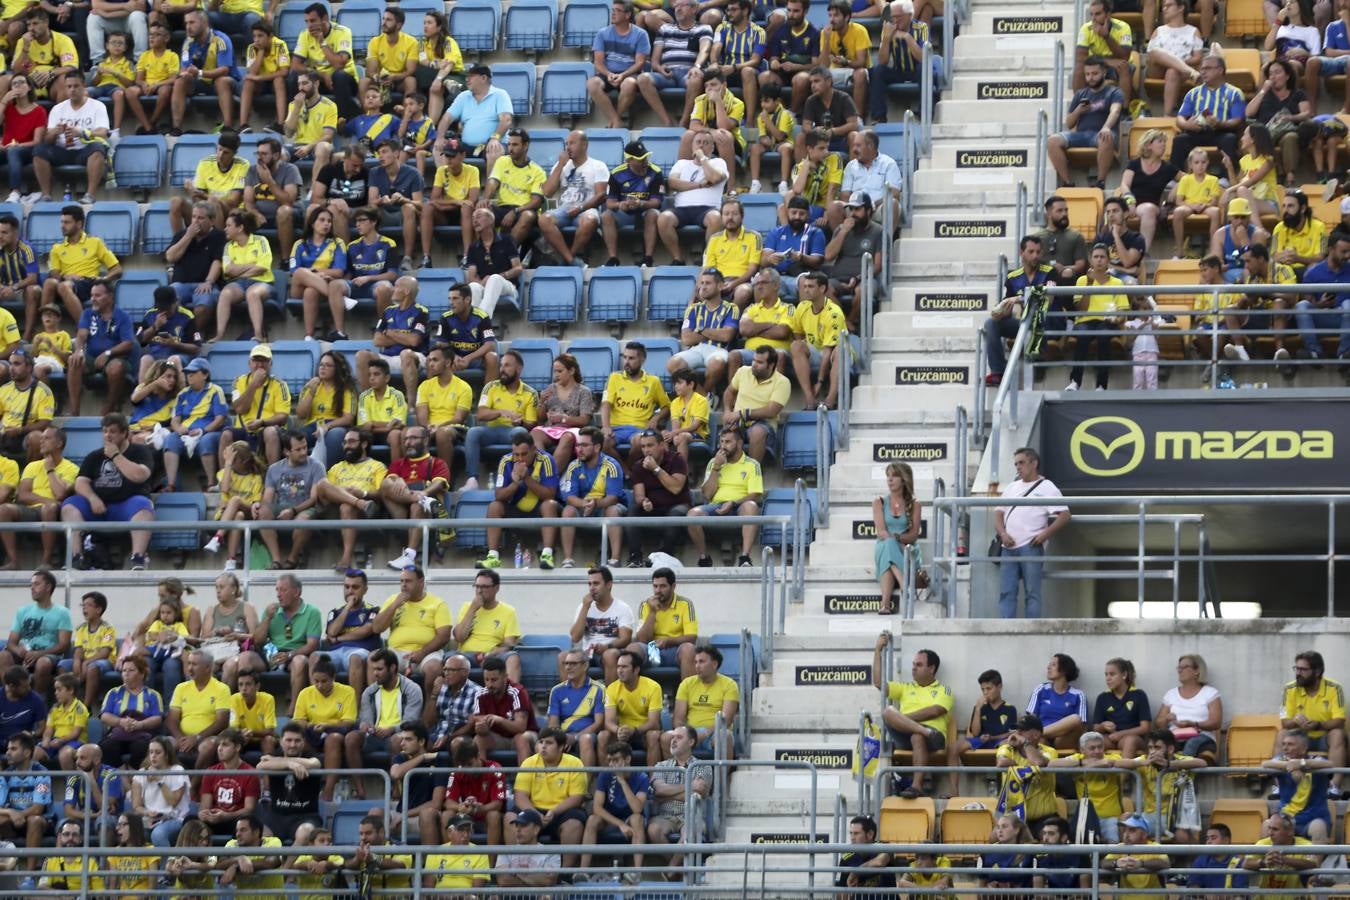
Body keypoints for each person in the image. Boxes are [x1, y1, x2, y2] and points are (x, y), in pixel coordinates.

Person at [60, 412, 155, 570]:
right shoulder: (95, 456)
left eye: (112, 431)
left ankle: (138, 558)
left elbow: (140, 475)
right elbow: (81, 482)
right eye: (104, 431)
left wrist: (116, 456)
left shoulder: (140, 451)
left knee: (143, 506)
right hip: (98, 507)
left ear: (124, 433)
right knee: (70, 505)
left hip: (127, 506)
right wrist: (92, 498)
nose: (107, 435)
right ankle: (76, 557)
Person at [871, 632, 952, 797]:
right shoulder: (906, 687)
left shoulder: (944, 689)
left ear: (931, 669)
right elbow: (879, 683)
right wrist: (877, 651)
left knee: (916, 735)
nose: (913, 668)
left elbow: (935, 710)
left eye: (919, 665)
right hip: (907, 735)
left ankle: (916, 786)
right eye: (913, 664)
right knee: (888, 712)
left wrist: (902, 719)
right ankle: (924, 731)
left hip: (935, 739)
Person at [994, 446, 1070, 618]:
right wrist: (1003, 534)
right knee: (1006, 592)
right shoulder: (1012, 487)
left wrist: (1044, 535)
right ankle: (1006, 628)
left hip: (1031, 546)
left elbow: (1065, 515)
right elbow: (998, 513)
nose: (1018, 467)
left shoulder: (1047, 487)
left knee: (1032, 593)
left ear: (1034, 463)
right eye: (1016, 464)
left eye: (1021, 463)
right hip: (1008, 548)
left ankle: (1032, 628)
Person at [345, 648, 423, 800]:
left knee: (397, 739)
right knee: (351, 738)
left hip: (398, 733)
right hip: (374, 735)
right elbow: (365, 719)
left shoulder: (412, 689)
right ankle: (359, 789)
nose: (375, 673)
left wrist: (391, 729)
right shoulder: (369, 692)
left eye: (379, 669)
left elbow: (411, 721)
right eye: (374, 669)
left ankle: (396, 788)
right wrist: (366, 726)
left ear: (392, 668)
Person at [507, 727, 587, 867]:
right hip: (533, 809)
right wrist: (535, 814)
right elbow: (520, 797)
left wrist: (553, 812)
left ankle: (565, 874)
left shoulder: (575, 763)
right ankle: (515, 869)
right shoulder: (529, 762)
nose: (543, 746)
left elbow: (577, 798)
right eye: (541, 742)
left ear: (561, 747)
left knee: (574, 823)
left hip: (561, 811)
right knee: (510, 817)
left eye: (549, 743)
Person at [41, 205, 121, 344]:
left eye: (67, 222)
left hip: (88, 283)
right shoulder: (56, 248)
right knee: (50, 283)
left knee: (64, 287)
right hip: (65, 283)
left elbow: (117, 269)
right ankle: (47, 334)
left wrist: (104, 279)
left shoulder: (95, 242)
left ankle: (84, 331)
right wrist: (65, 276)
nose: (62, 226)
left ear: (79, 224)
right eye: (61, 222)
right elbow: (54, 274)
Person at [687, 426, 763, 567]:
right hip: (715, 506)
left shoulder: (752, 464)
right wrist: (716, 467)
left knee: (751, 507)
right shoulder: (713, 462)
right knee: (692, 515)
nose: (723, 446)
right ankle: (704, 558)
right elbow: (707, 495)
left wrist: (733, 503)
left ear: (739, 443)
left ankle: (745, 557)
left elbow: (755, 494)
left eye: (728, 442)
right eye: (721, 442)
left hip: (740, 506)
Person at [379, 424, 453, 569]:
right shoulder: (398, 464)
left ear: (425, 441)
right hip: (400, 511)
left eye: (413, 438)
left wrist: (424, 493)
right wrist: (398, 480)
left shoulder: (437, 462)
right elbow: (388, 485)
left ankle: (409, 555)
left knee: (417, 505)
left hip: (426, 514)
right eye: (405, 439)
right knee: (387, 483)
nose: (407, 443)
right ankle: (421, 500)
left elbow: (439, 483)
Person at [1113, 728, 1207, 841]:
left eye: (1157, 748)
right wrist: (1143, 762)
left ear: (1170, 749)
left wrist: (1168, 764)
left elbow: (1202, 763)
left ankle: (1180, 859)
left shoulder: (1180, 760)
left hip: (1175, 818)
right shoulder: (1145, 760)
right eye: (1150, 748)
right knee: (1125, 819)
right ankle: (1129, 857)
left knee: (1182, 836)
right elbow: (1119, 763)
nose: (1152, 752)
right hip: (1149, 816)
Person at [463, 348, 537, 491]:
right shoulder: (490, 387)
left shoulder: (530, 393)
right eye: (501, 365)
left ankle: (518, 475)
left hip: (512, 431)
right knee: (473, 432)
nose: (502, 369)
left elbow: (531, 425)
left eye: (507, 365)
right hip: (491, 430)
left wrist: (520, 422)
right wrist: (500, 412)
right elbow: (481, 414)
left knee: (521, 432)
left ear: (519, 369)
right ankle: (472, 479)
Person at [289, 654, 356, 802]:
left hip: (336, 732)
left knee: (332, 739)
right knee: (293, 740)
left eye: (324, 681)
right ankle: (296, 788)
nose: (319, 685)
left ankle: (328, 790)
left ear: (333, 678)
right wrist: (310, 725)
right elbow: (298, 720)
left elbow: (348, 723)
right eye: (316, 681)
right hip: (312, 732)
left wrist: (327, 725)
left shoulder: (347, 691)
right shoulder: (305, 693)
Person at [33, 73, 109, 205]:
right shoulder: (58, 109)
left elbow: (103, 132)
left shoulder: (97, 106)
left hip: (84, 149)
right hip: (62, 150)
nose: (72, 89)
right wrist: (54, 133)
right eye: (68, 86)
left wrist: (81, 132)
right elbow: (48, 140)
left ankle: (90, 195)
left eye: (76, 86)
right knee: (39, 151)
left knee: (98, 148)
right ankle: (46, 195)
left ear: (84, 86)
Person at [537, 131, 609, 267]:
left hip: (587, 208)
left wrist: (580, 208)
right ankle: (571, 260)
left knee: (590, 220)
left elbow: (601, 195)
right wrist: (560, 165)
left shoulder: (598, 166)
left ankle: (567, 259)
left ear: (584, 145)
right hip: (564, 209)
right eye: (566, 144)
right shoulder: (561, 166)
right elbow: (547, 192)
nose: (568, 147)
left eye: (572, 143)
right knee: (543, 219)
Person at [1280, 650, 1347, 796]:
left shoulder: (1334, 688)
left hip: (1324, 736)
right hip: (1300, 737)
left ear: (1317, 672)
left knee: (1337, 733)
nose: (1298, 673)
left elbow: (1339, 721)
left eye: (1303, 669)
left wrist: (1318, 725)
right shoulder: (1289, 689)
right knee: (1283, 734)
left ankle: (1334, 786)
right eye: (1296, 668)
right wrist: (1295, 722)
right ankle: (1279, 785)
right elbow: (1285, 722)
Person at [1049, 57, 1123, 191]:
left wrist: (1106, 127)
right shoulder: (1080, 94)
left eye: (1095, 74)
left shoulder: (1114, 92)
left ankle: (1100, 182)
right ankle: (1067, 183)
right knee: (1052, 141)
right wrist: (1078, 111)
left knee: (1105, 137)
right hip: (1081, 135)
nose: (1091, 78)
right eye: (1087, 74)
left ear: (1104, 72)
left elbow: (1115, 111)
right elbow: (1070, 123)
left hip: (1101, 134)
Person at [656, 131, 728, 263]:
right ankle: (677, 258)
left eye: (706, 143)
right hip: (681, 210)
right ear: (692, 146)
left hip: (708, 209)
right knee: (663, 218)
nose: (701, 146)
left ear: (712, 148)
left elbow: (715, 177)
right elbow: (672, 183)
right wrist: (699, 185)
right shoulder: (682, 164)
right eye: (698, 142)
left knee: (716, 218)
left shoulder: (718, 162)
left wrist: (702, 158)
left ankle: (708, 257)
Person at [580, 740, 649, 878]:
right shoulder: (605, 775)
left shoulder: (641, 776)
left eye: (616, 760)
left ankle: (637, 873)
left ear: (627, 759)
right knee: (592, 820)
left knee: (637, 819)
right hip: (610, 818)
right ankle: (583, 872)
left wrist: (622, 781)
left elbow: (637, 809)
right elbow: (597, 808)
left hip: (631, 817)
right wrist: (620, 824)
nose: (612, 765)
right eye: (609, 760)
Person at [248, 574, 321, 702]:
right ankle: (245, 706)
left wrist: (289, 655)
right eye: (277, 590)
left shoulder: (312, 612)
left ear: (296, 592)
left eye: (283, 590)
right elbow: (258, 642)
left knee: (299, 662)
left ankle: (294, 708)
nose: (278, 594)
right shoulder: (271, 611)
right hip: (271, 656)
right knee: (244, 659)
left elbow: (312, 645)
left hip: (295, 654)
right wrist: (267, 618)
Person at [647, 725, 712, 869]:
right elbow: (659, 791)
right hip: (665, 816)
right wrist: (690, 786)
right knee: (653, 830)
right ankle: (678, 868)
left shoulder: (703, 766)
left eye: (679, 737)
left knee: (692, 830)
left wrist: (668, 795)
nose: (673, 741)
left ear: (691, 742)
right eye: (673, 737)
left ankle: (671, 870)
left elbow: (700, 789)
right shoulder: (660, 765)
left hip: (692, 814)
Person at [625, 428, 693, 564]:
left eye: (650, 445)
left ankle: (664, 555)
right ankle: (635, 558)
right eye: (643, 446)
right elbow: (639, 495)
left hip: (677, 504)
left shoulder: (677, 459)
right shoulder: (639, 466)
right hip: (654, 507)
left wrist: (656, 469)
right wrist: (644, 502)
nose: (646, 450)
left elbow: (676, 488)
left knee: (676, 513)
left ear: (661, 445)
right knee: (633, 510)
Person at [640, 0, 712, 128]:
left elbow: (704, 50)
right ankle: (666, 120)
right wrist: (658, 67)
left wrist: (697, 67)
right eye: (676, 6)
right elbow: (655, 60)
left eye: (682, 5)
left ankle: (684, 121)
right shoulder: (665, 29)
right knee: (642, 79)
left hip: (688, 72)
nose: (678, 9)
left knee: (696, 78)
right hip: (668, 74)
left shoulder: (703, 28)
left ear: (694, 9)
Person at [601, 341, 671, 470]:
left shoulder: (653, 381)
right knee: (602, 442)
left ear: (642, 359)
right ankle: (626, 472)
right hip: (616, 428)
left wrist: (656, 418)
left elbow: (667, 406)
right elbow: (605, 404)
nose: (626, 362)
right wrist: (606, 427)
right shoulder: (614, 378)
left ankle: (629, 471)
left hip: (639, 429)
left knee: (640, 442)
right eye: (625, 357)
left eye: (631, 358)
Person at [1171, 54, 1247, 172]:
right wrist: (1187, 125)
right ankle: (1174, 176)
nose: (1203, 72)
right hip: (1197, 131)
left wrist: (1220, 123)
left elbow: (1238, 120)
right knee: (1180, 140)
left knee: (1230, 139)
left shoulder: (1235, 93)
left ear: (1220, 70)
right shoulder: (1193, 93)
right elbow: (1180, 117)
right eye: (1202, 69)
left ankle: (1225, 177)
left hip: (1221, 132)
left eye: (1208, 68)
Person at [434, 63, 513, 174]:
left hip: (490, 144)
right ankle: (447, 186)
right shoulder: (463, 96)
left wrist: (495, 138)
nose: (467, 79)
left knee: (495, 150)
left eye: (471, 76)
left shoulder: (500, 94)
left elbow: (506, 120)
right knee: (439, 148)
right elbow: (446, 118)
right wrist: (440, 137)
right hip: (466, 146)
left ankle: (490, 190)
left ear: (483, 78)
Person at [170, 9, 239, 135]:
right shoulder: (187, 43)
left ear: (204, 22)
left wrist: (199, 73)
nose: (188, 27)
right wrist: (185, 73)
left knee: (221, 81)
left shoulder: (221, 39)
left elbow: (225, 70)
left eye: (192, 23)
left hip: (225, 82)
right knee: (180, 81)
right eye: (186, 23)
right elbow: (184, 69)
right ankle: (176, 129)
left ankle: (228, 127)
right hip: (200, 82)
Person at [0, 571, 68, 698]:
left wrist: (38, 654)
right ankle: (11, 696)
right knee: (3, 656)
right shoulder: (23, 611)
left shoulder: (62, 612)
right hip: (25, 654)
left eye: (37, 584)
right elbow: (11, 643)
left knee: (43, 663)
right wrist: (18, 650)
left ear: (48, 587)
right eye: (31, 584)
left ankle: (36, 701)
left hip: (48, 655)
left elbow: (63, 645)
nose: (32, 587)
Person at [587, 0, 652, 128]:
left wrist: (623, 75)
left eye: (617, 11)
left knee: (629, 84)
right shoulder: (602, 33)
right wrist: (608, 74)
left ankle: (615, 121)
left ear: (628, 15)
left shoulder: (641, 34)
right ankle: (616, 121)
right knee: (592, 84)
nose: (613, 14)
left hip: (630, 73)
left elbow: (640, 63)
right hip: (608, 73)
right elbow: (598, 63)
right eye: (612, 11)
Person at [289, 206, 349, 342]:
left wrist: (317, 273)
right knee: (300, 273)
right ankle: (341, 299)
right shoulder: (299, 244)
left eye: (329, 221)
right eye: (321, 220)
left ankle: (308, 336)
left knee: (310, 291)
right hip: (299, 287)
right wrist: (316, 274)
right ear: (312, 223)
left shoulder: (337, 243)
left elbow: (339, 271)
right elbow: (294, 271)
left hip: (325, 284)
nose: (326, 223)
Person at [480, 128, 546, 250]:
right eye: (509, 144)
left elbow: (536, 201)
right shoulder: (502, 161)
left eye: (515, 145)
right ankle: (483, 252)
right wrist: (485, 199)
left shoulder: (538, 171)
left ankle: (505, 253)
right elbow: (493, 181)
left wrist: (515, 211)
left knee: (528, 215)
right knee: (482, 210)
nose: (510, 148)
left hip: (523, 210)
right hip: (503, 208)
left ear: (525, 146)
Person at [288, 2, 357, 120]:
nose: (309, 25)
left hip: (344, 81)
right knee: (293, 77)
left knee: (339, 75)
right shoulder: (305, 35)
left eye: (313, 20)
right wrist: (320, 75)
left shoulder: (343, 32)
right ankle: (295, 119)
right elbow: (295, 65)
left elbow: (339, 64)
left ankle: (342, 121)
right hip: (318, 80)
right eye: (307, 21)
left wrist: (322, 43)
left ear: (325, 18)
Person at [825, 191, 884, 328]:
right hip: (839, 279)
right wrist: (844, 231)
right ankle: (845, 321)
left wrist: (858, 278)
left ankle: (850, 321)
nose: (853, 213)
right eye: (851, 209)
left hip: (864, 279)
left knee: (863, 291)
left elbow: (878, 265)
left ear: (868, 211)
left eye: (858, 209)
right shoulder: (842, 229)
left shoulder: (878, 231)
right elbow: (828, 255)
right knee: (822, 289)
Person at [451, 568, 522, 682]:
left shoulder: (508, 611)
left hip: (494, 656)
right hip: (467, 655)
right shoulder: (467, 607)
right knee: (451, 659)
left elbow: (510, 644)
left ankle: (510, 696)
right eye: (477, 586)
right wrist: (472, 609)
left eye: (484, 587)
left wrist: (492, 653)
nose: (479, 591)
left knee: (513, 658)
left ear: (496, 588)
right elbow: (459, 637)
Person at [567, 565, 635, 684]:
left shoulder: (622, 608)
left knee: (610, 655)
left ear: (609, 585)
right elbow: (575, 637)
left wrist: (606, 647)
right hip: (586, 653)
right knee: (563, 657)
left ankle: (609, 700)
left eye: (596, 584)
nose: (592, 588)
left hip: (611, 651)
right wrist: (585, 608)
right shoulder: (584, 607)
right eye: (590, 584)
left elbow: (625, 639)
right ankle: (569, 699)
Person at [721, 345, 789, 462]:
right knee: (729, 431)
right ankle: (726, 471)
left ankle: (753, 473)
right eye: (753, 360)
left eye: (759, 362)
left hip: (764, 423)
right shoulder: (743, 371)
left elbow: (771, 410)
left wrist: (743, 414)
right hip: (738, 420)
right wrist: (727, 411)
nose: (754, 364)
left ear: (771, 365)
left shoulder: (782, 382)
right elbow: (729, 392)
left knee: (757, 432)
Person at [671, 643, 739, 758]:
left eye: (701, 662)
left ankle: (723, 776)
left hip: (715, 734)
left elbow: (726, 721)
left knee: (725, 736)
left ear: (714, 664)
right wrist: (687, 734)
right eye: (695, 662)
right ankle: (677, 774)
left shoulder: (729, 685)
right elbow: (678, 719)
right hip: (690, 733)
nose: (697, 666)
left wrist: (705, 732)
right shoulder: (686, 683)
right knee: (666, 738)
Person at [166, 649, 230, 772]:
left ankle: (194, 784)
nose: (189, 668)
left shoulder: (222, 689)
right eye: (188, 663)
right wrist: (180, 739)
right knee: (163, 744)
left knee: (209, 745)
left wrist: (197, 738)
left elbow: (222, 722)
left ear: (207, 668)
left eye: (194, 664)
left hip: (207, 738)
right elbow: (171, 720)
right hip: (182, 737)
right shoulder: (181, 688)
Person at [256, 722, 322, 842]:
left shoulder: (310, 756)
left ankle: (288, 862)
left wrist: (279, 761)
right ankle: (273, 861)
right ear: (281, 741)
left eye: (297, 741)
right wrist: (288, 763)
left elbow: (314, 763)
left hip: (306, 816)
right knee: (258, 834)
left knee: (305, 832)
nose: (293, 745)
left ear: (303, 742)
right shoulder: (276, 755)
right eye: (289, 740)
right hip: (276, 816)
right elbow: (260, 766)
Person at [872, 461, 922, 615]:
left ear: (904, 479)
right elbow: (881, 532)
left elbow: (914, 534)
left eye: (894, 476)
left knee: (887, 555)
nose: (890, 480)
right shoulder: (879, 502)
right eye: (888, 476)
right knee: (887, 546)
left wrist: (898, 540)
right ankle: (903, 582)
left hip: (907, 547)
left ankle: (885, 604)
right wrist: (893, 542)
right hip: (885, 544)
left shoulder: (915, 504)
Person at [630, 567, 699, 678]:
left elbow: (692, 637)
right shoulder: (645, 605)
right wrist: (652, 612)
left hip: (675, 650)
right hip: (651, 649)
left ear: (673, 586)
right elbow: (642, 639)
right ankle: (629, 694)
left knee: (688, 649)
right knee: (633, 649)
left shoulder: (685, 604)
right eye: (655, 586)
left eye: (663, 586)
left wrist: (668, 641)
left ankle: (687, 694)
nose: (658, 591)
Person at [1264, 729, 1333, 840]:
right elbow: (1265, 764)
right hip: (1286, 821)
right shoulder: (1282, 760)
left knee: (1318, 828)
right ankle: (1269, 858)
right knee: (1267, 824)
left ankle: (1315, 858)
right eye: (1284, 744)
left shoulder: (1315, 760)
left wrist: (1301, 764)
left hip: (1312, 821)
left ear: (1304, 748)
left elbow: (1329, 764)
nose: (1285, 748)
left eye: (1290, 744)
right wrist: (1290, 766)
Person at [1295, 233, 1350, 371]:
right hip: (1322, 318)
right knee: (1301, 306)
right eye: (1344, 252)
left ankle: (1345, 354)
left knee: (1348, 305)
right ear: (1331, 250)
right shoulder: (1313, 272)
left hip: (1346, 318)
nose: (1348, 255)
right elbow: (1308, 301)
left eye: (1349, 251)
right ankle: (1315, 353)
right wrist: (1321, 304)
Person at [530, 353, 591, 474]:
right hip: (551, 429)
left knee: (567, 437)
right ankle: (540, 471)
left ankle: (550, 477)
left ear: (571, 370)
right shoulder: (550, 389)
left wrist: (564, 419)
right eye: (554, 371)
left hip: (572, 430)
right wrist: (541, 401)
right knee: (535, 433)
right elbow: (540, 419)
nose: (556, 375)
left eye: (559, 371)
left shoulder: (584, 391)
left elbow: (585, 420)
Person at [869, 0, 928, 124]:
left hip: (917, 69)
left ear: (910, 16)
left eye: (898, 17)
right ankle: (879, 116)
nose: (895, 20)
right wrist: (886, 39)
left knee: (924, 69)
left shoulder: (921, 27)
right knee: (877, 71)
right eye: (893, 17)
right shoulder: (888, 28)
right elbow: (882, 61)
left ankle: (925, 113)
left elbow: (923, 58)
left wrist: (907, 38)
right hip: (899, 70)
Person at [99, 656, 164, 769]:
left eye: (131, 670)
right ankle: (120, 772)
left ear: (142, 674)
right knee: (107, 746)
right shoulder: (113, 693)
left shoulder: (153, 695)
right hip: (118, 734)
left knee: (142, 747)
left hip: (142, 735)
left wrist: (140, 725)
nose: (126, 674)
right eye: (124, 670)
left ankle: (134, 774)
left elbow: (157, 718)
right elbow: (104, 715)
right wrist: (121, 722)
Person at [421, 137, 478, 265]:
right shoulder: (442, 170)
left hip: (463, 212)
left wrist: (446, 204)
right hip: (446, 213)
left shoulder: (472, 170)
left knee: (466, 208)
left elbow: (472, 201)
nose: (449, 159)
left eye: (452, 155)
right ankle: (426, 257)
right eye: (447, 155)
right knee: (427, 207)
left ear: (463, 155)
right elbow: (434, 199)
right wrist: (456, 202)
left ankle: (467, 256)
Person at [470, 655, 537, 765]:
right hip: (499, 738)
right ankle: (483, 780)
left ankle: (524, 780)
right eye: (486, 680)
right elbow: (480, 729)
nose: (490, 684)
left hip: (526, 735)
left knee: (521, 738)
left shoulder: (518, 691)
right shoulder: (480, 694)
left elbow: (521, 727)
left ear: (505, 677)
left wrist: (499, 720)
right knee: (478, 739)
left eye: (494, 680)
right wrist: (481, 728)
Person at [995, 714, 1059, 826]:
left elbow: (1039, 762)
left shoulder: (1050, 751)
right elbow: (1001, 763)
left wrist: (1025, 743)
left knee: (1052, 835)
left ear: (1036, 734)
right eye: (1016, 729)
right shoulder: (1007, 748)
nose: (1017, 733)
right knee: (993, 838)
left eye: (1022, 730)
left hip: (1044, 817)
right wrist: (1026, 768)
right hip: (1014, 818)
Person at [197, 728, 260, 837]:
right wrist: (204, 814)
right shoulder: (210, 772)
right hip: (214, 819)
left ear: (237, 747)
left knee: (244, 826)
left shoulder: (250, 773)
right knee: (191, 822)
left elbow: (249, 809)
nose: (220, 749)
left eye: (225, 745)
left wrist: (227, 816)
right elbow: (204, 806)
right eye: (218, 745)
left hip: (235, 820)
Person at [547, 649, 605, 767]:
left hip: (587, 734)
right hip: (563, 734)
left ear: (585, 665)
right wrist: (561, 738)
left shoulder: (598, 689)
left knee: (586, 739)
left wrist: (576, 737)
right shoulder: (557, 690)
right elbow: (553, 724)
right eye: (566, 663)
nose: (568, 667)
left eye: (573, 664)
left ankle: (585, 784)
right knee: (545, 743)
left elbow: (599, 723)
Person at [1146, 0, 1205, 115]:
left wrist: (1177, 63)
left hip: (1179, 71)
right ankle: (1192, 73)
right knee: (1156, 51)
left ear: (1180, 8)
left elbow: (1197, 58)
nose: (1164, 9)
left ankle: (1166, 115)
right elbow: (1151, 57)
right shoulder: (1158, 31)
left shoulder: (1194, 31)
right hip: (1157, 69)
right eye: (1163, 6)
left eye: (1169, 5)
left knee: (1172, 71)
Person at [130, 736, 191, 847]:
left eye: (158, 752)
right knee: (133, 833)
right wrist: (147, 812)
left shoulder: (177, 771)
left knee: (158, 834)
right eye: (151, 752)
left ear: (167, 755)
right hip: (150, 819)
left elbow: (173, 801)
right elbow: (136, 806)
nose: (153, 756)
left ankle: (167, 864)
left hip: (175, 818)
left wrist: (159, 779)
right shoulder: (141, 774)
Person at [463, 206, 523, 320]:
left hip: (508, 287)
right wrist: (482, 283)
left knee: (494, 279)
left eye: (479, 216)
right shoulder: (473, 247)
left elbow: (518, 268)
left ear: (491, 221)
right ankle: (472, 325)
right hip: (484, 286)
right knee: (473, 286)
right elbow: (471, 277)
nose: (475, 221)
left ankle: (483, 322)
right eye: (473, 218)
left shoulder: (506, 240)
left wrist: (500, 276)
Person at [762, 199, 823, 303]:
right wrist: (770, 258)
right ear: (787, 213)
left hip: (799, 278)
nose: (797, 217)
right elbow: (762, 261)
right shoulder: (776, 232)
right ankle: (761, 318)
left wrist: (801, 257)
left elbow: (818, 261)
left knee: (805, 281)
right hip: (777, 276)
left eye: (802, 214)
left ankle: (804, 318)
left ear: (808, 215)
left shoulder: (815, 232)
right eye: (794, 213)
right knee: (761, 281)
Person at [0, 75, 48, 207]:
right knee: (10, 151)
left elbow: (37, 141)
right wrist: (3, 102)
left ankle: (15, 192)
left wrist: (17, 145)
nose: (18, 86)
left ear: (29, 87)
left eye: (21, 83)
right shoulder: (8, 108)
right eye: (14, 84)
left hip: (26, 149)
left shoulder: (39, 111)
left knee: (14, 151)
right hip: (6, 148)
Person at [1091, 657, 1152, 760]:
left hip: (1133, 738)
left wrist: (1121, 734)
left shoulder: (1139, 695)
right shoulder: (1103, 697)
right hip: (1110, 738)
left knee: (1130, 741)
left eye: (1112, 674)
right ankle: (1095, 775)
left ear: (1124, 675)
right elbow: (1095, 727)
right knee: (1094, 741)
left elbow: (1145, 728)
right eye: (1106, 675)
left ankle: (1124, 775)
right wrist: (1102, 726)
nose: (1108, 678)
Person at [0, 349, 53, 467]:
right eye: (11, 363)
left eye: (17, 364)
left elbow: (45, 423)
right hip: (5, 434)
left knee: (37, 438)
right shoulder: (4, 389)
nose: (11, 368)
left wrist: (19, 430)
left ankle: (30, 474)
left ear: (29, 367)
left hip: (25, 435)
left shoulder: (43, 391)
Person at [238, 20, 289, 132]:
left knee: (278, 80)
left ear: (270, 36)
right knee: (248, 82)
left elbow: (284, 72)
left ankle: (281, 124)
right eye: (254, 36)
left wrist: (260, 77)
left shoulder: (280, 45)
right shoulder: (252, 48)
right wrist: (260, 52)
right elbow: (251, 73)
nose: (256, 40)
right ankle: (243, 125)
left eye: (260, 36)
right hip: (259, 84)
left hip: (274, 81)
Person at [217, 814, 284, 899]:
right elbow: (219, 864)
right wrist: (239, 859)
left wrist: (235, 866)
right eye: (237, 830)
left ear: (256, 832)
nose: (238, 834)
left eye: (243, 830)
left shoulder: (272, 842)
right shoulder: (232, 844)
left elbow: (271, 862)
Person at [426, 657, 483, 756]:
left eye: (451, 670)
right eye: (445, 670)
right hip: (438, 734)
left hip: (461, 736)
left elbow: (470, 726)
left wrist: (448, 737)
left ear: (464, 672)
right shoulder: (440, 688)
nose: (446, 673)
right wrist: (434, 694)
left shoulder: (477, 692)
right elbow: (428, 722)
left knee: (457, 744)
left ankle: (458, 772)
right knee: (416, 742)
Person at [284, 69, 338, 174]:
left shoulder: (329, 105)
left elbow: (328, 136)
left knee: (323, 148)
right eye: (299, 84)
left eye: (305, 83)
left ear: (316, 84)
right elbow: (288, 133)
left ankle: (314, 190)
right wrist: (297, 108)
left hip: (318, 146)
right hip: (298, 145)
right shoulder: (293, 104)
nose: (301, 88)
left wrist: (309, 147)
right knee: (278, 153)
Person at [423, 813, 490, 894]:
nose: (465, 835)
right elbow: (428, 890)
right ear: (449, 832)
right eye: (461, 830)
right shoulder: (435, 852)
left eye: (468, 830)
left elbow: (476, 892)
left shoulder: (480, 853)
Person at [1102, 814, 1169, 895]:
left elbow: (1165, 863)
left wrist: (1141, 863)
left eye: (1132, 830)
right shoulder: (1121, 847)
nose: (1126, 834)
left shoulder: (1154, 847)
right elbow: (1103, 863)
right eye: (1125, 830)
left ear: (1144, 834)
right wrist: (1116, 862)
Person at [360, 6, 417, 101]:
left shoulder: (411, 42)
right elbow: (370, 71)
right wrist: (377, 77)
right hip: (380, 81)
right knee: (363, 82)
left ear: (399, 25)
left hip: (400, 81)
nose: (384, 23)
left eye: (388, 20)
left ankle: (406, 113)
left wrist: (394, 77)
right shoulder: (374, 42)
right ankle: (367, 115)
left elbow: (410, 71)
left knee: (411, 81)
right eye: (383, 19)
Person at [496, 809, 561, 892]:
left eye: (523, 825)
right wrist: (534, 881)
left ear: (536, 829)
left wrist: (516, 874)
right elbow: (503, 880)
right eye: (517, 825)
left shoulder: (551, 853)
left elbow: (547, 880)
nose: (518, 829)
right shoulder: (505, 851)